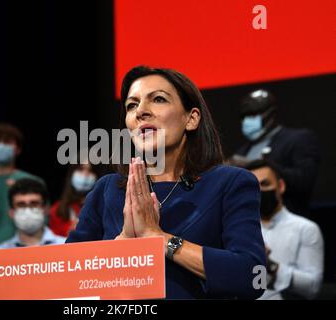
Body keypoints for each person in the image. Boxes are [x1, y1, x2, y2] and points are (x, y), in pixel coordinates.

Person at [66, 66, 266, 299]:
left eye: (158, 99)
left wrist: (159, 238)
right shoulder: (106, 189)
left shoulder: (230, 183)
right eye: (132, 105)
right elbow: (67, 280)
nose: (141, 111)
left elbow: (253, 276)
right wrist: (122, 245)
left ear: (191, 119)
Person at [230, 89, 320, 216]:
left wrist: (262, 164)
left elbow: (304, 181)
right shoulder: (242, 151)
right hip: (252, 222)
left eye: (253, 115)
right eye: (244, 116)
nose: (247, 121)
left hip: (288, 222)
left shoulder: (298, 139)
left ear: (270, 115)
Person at [245, 159, 324, 300]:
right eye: (253, 186)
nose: (259, 191)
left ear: (280, 186)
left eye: (265, 184)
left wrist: (271, 266)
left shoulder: (305, 229)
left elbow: (313, 287)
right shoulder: (240, 229)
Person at [0, 178, 65, 249]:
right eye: (21, 204)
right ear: (11, 212)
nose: (28, 210)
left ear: (46, 209)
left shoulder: (66, 246)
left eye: (34, 203)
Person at [49, 164, 98, 237]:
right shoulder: (57, 210)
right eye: (81, 169)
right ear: (72, 173)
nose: (85, 174)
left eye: (90, 170)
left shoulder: (101, 207)